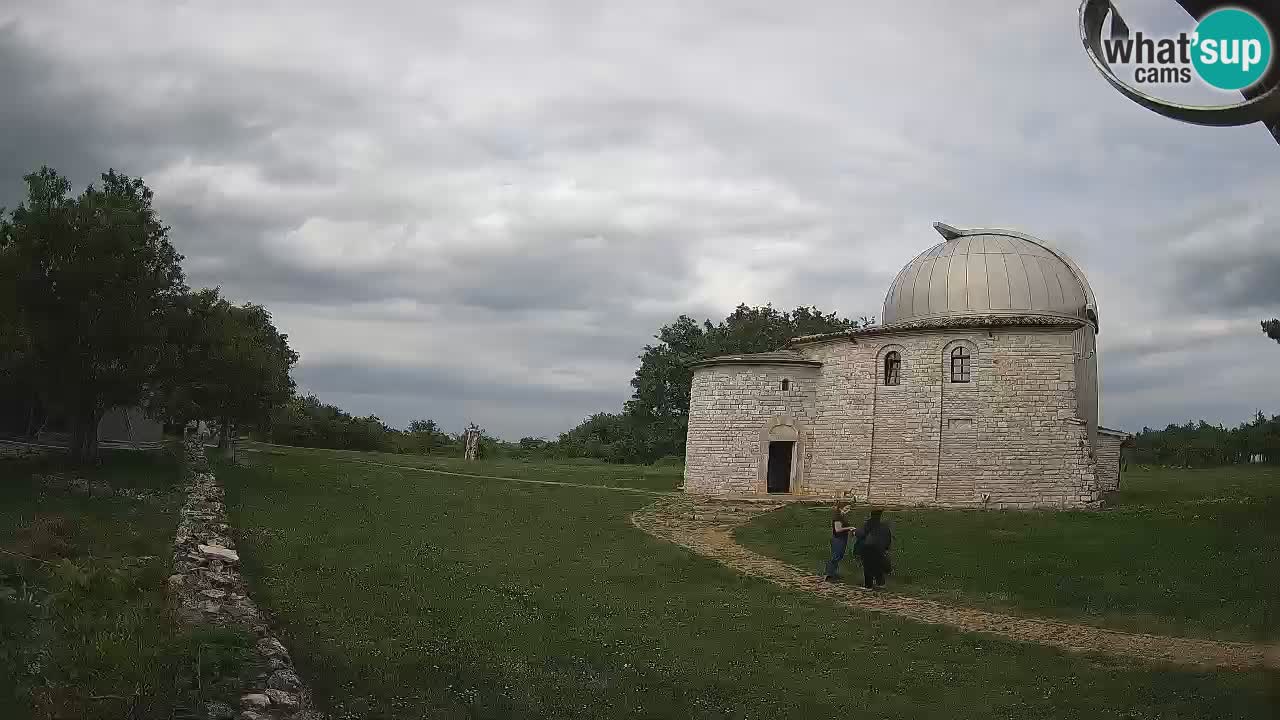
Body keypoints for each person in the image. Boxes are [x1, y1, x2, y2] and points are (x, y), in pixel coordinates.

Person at [855, 509, 892, 589]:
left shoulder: (868, 524)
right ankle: (881, 583)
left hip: (869, 547)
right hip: (880, 548)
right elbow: (888, 538)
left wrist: (855, 532)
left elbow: (861, 534)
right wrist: (886, 548)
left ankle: (868, 585)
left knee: (868, 566)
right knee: (878, 565)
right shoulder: (884, 526)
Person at [824, 502, 855, 581]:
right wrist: (849, 528)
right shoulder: (837, 517)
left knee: (839, 556)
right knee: (836, 556)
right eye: (846, 509)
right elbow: (838, 529)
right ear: (841, 508)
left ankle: (832, 573)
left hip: (842, 538)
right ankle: (829, 574)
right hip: (838, 539)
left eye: (849, 509)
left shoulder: (842, 516)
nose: (848, 510)